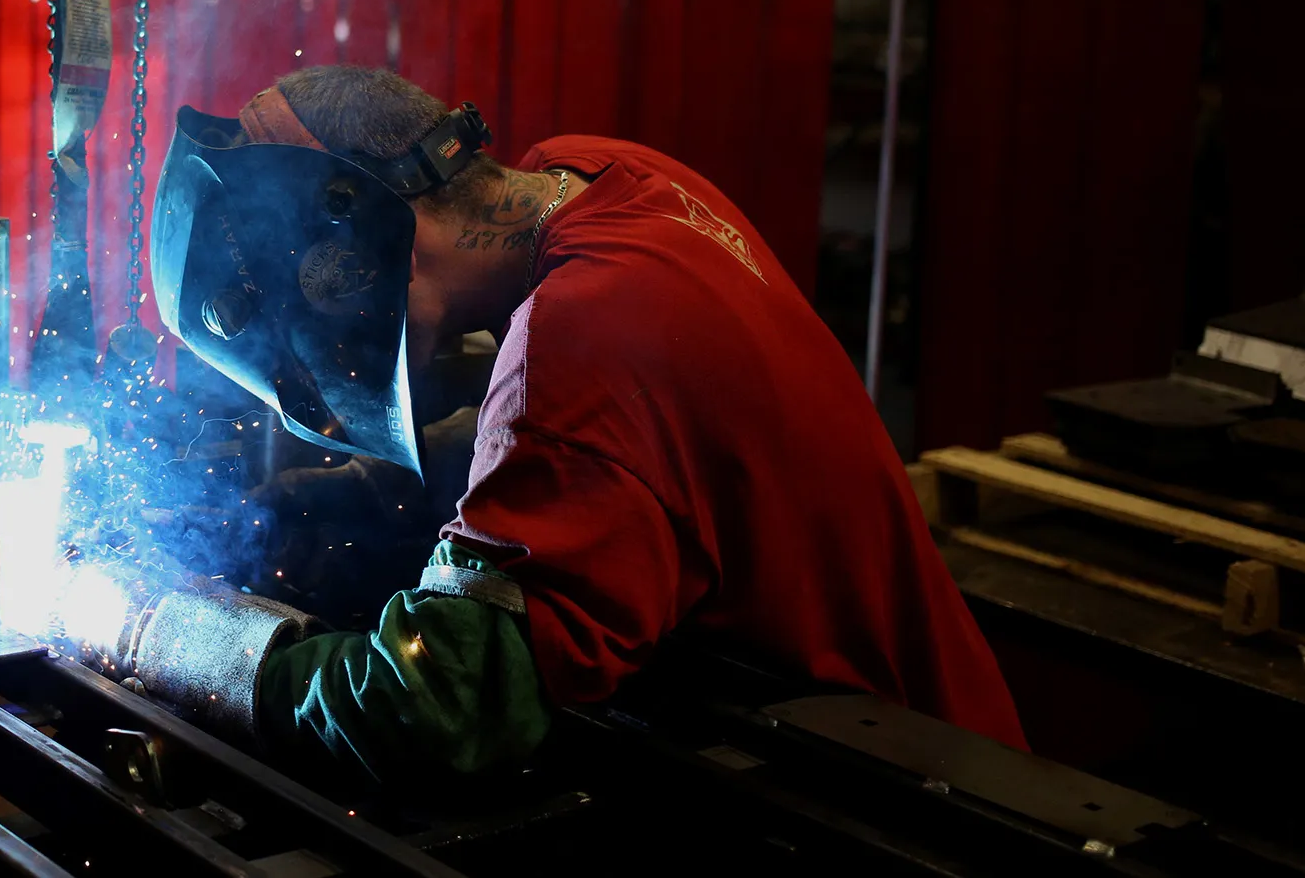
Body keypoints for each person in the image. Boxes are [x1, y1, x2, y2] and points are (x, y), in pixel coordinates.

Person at [124, 65, 1024, 785]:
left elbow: (435, 704)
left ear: (342, 239)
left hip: (899, 806)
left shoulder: (579, 330)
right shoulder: (608, 179)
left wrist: (167, 635)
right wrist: (314, 506)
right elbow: (597, 449)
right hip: (942, 737)